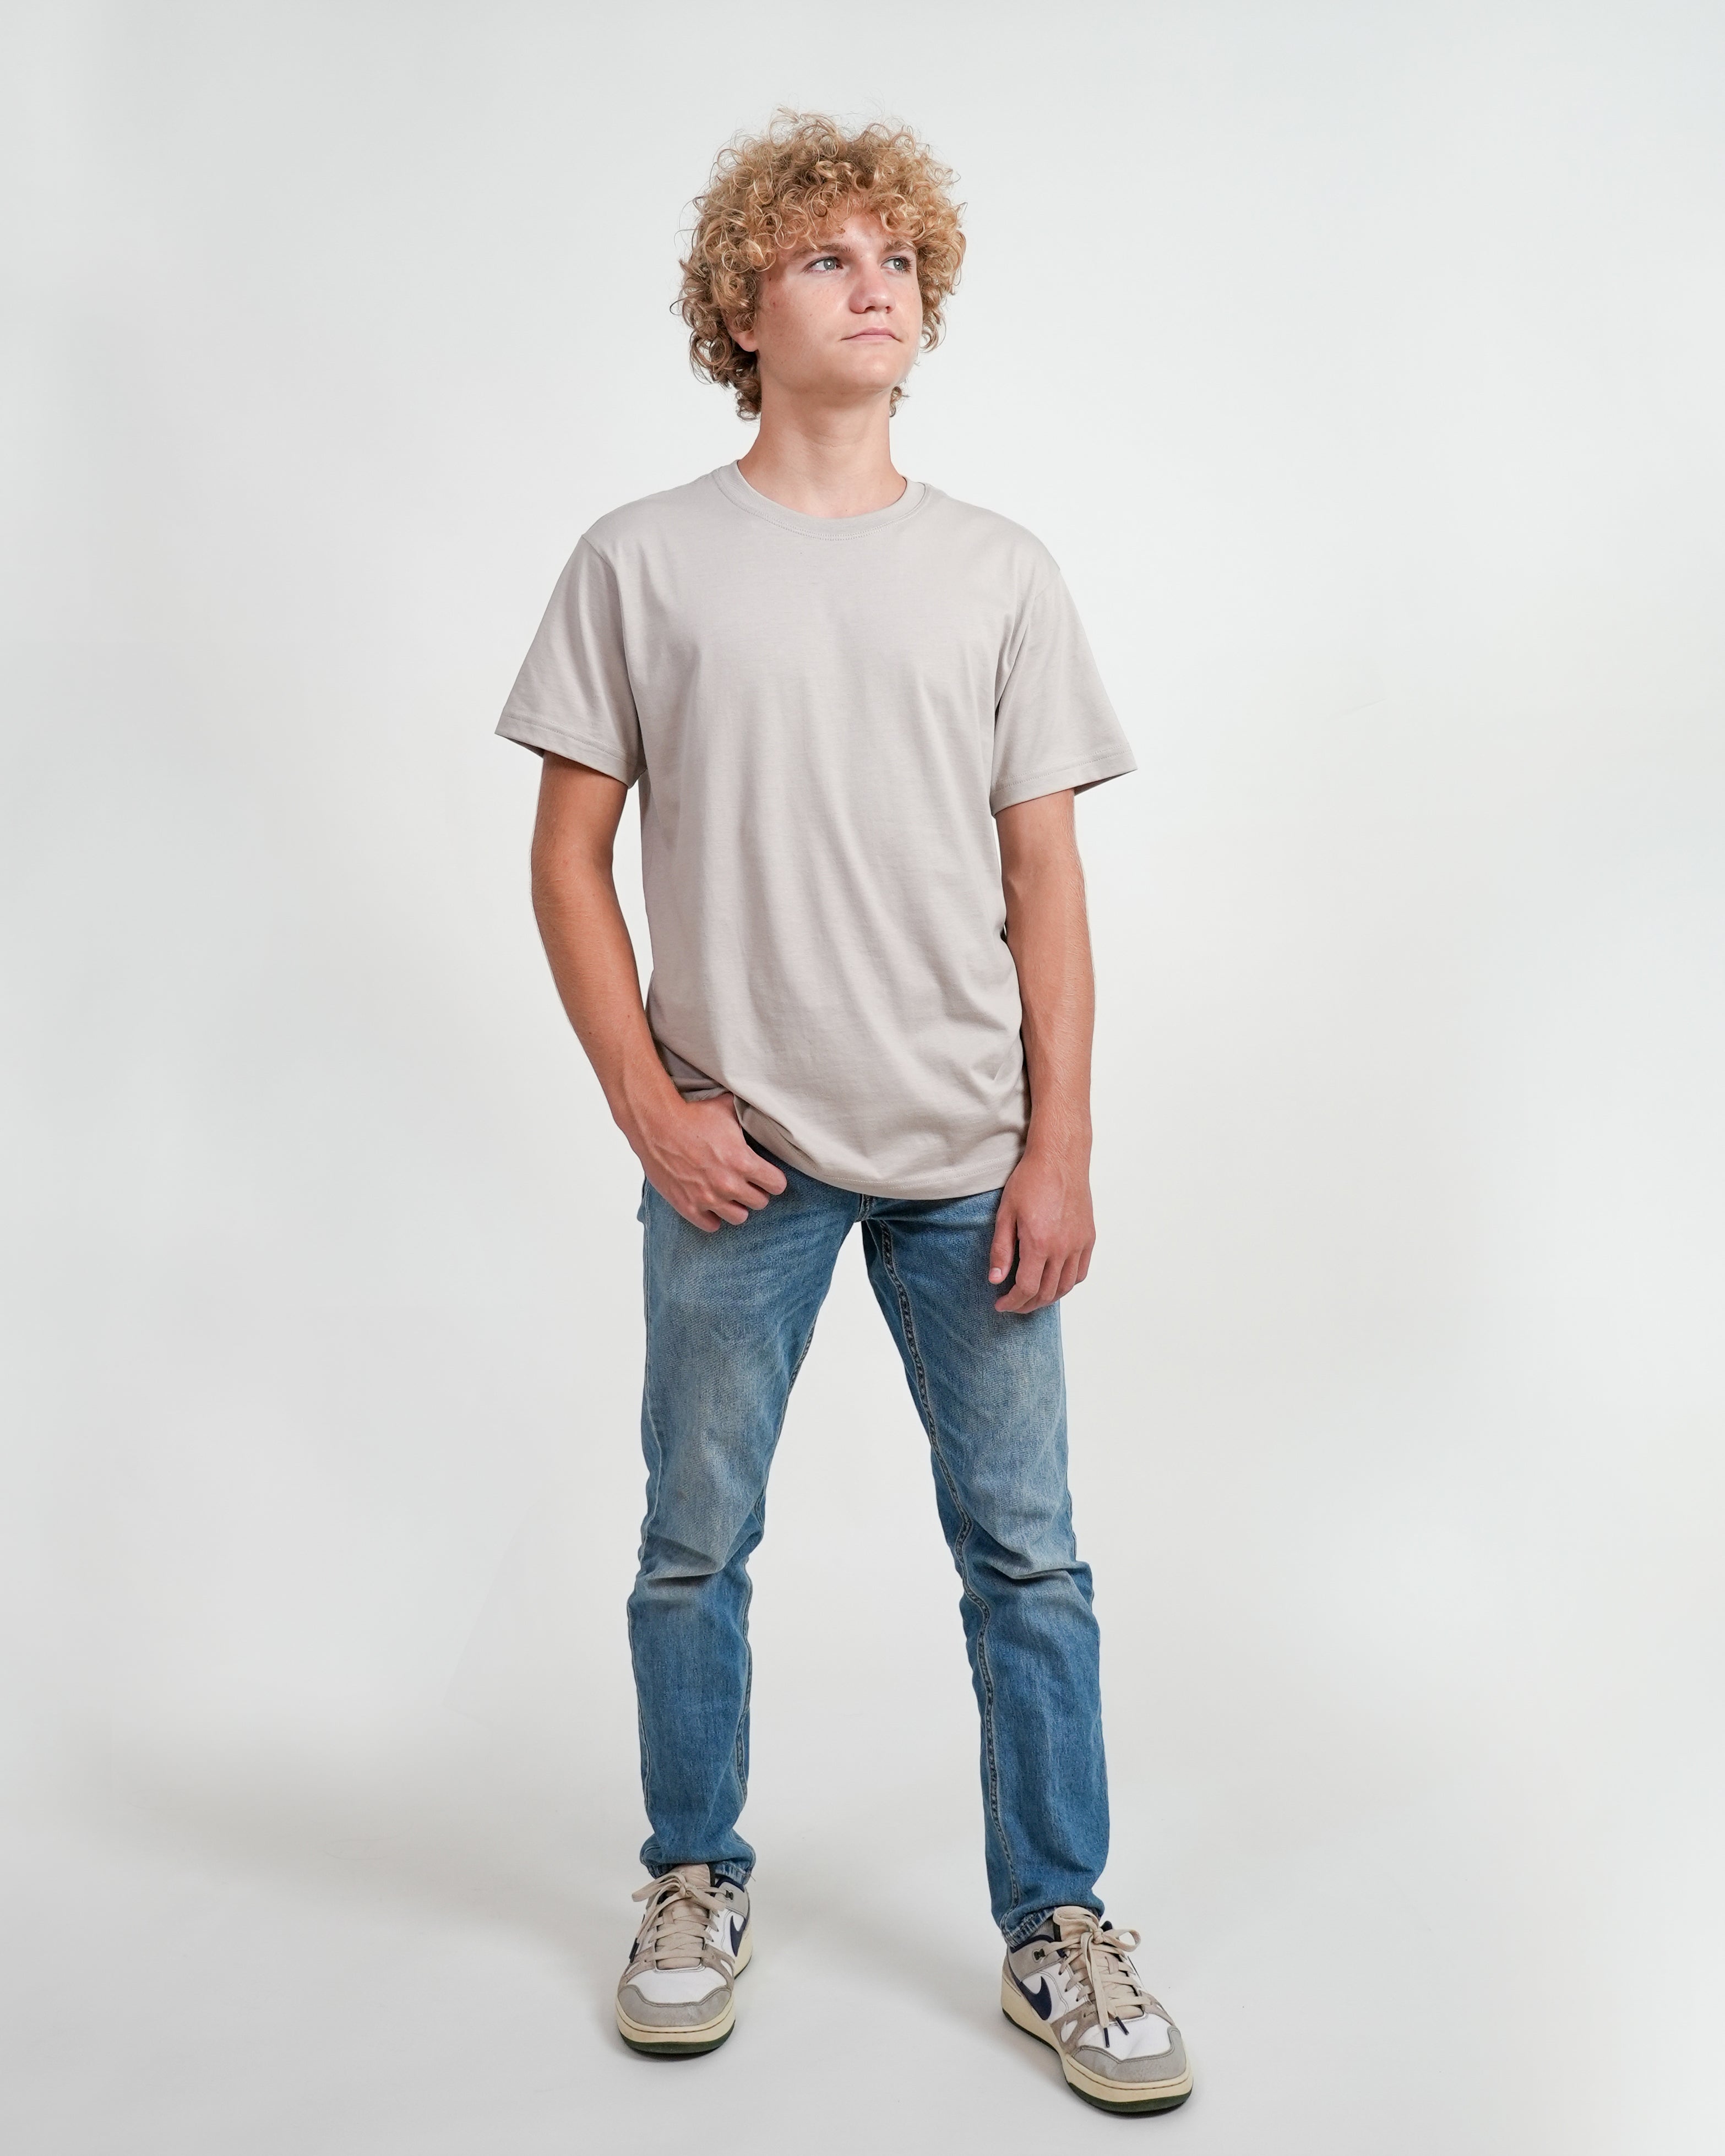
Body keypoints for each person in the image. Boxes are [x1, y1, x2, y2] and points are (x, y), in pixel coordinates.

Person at [496, 112, 1191, 2115]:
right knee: (695, 1542)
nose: (873, 285)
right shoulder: (640, 561)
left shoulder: (998, 571)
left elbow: (1047, 879)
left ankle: (1058, 1921)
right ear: (743, 307)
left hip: (970, 1150)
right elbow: (565, 858)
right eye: (825, 257)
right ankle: (692, 1878)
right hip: (742, 1158)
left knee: (1029, 1557)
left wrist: (1061, 1144)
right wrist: (650, 1107)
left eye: (898, 260)